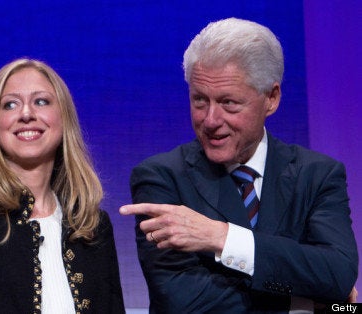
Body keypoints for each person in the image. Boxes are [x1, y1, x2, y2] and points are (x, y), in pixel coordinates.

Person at [120, 18, 358, 313]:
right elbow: (184, 302)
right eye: (199, 100)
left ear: (271, 98)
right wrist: (306, 300)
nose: (210, 120)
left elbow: (337, 274)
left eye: (228, 102)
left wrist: (222, 238)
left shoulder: (317, 175)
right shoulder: (161, 177)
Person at [0, 58, 125, 313]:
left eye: (41, 101)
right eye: (10, 104)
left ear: (63, 118)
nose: (26, 114)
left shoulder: (91, 224)